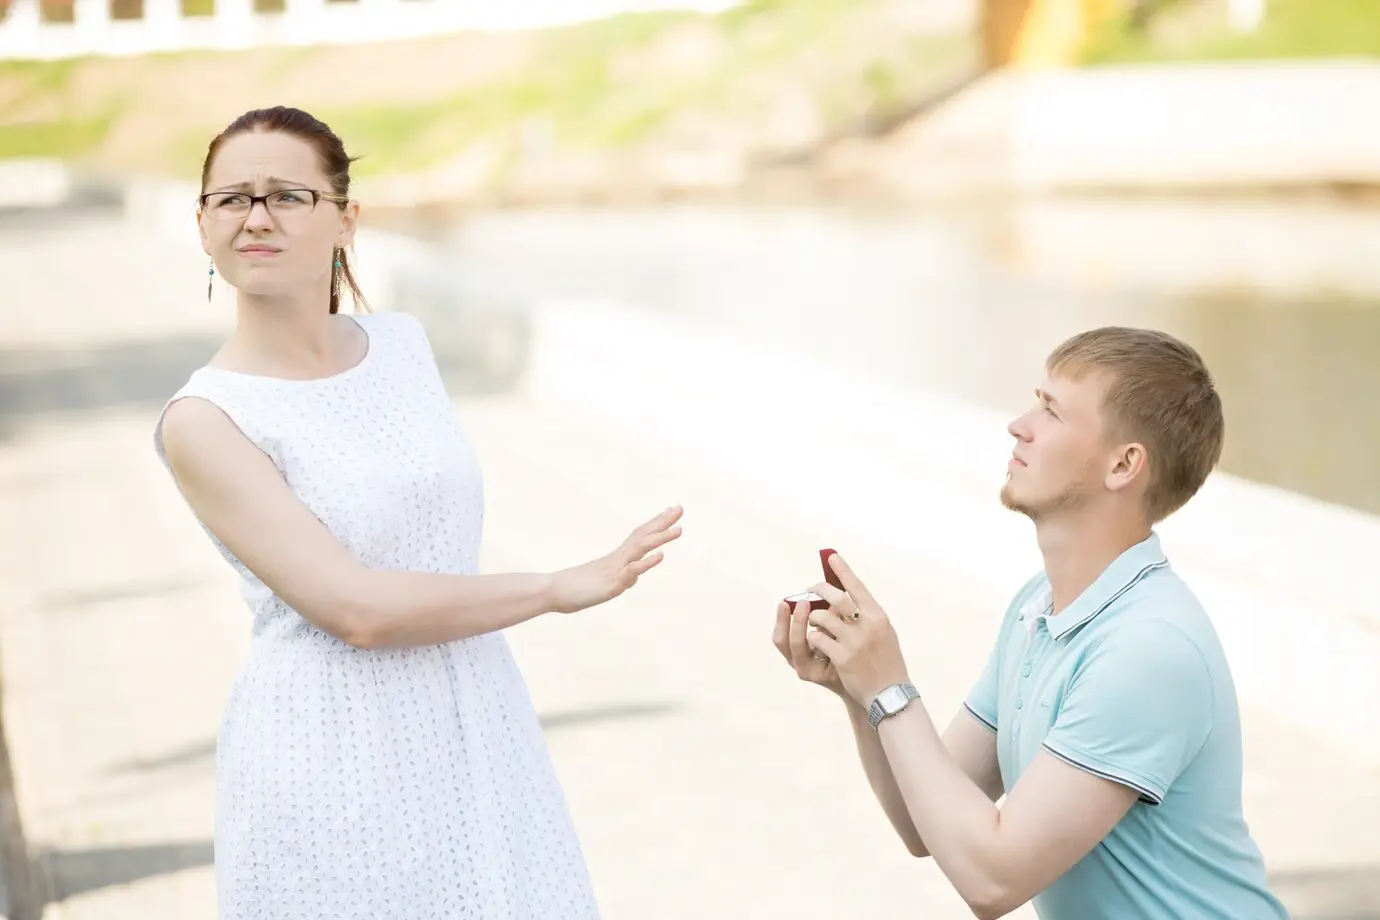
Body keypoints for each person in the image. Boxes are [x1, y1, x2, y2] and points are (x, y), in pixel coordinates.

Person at [154, 105, 683, 920]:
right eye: (231, 199)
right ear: (203, 226)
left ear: (345, 219)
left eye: (288, 196)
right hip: (328, 753)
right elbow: (355, 608)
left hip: (478, 719)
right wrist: (552, 587)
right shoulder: (205, 420)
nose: (257, 218)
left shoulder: (402, 345)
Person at [771, 327, 1291, 920]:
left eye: (1051, 411)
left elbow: (992, 881)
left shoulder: (1148, 648)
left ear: (1123, 465)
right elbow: (929, 826)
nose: (1019, 424)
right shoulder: (1038, 605)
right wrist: (858, 688)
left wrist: (890, 690)